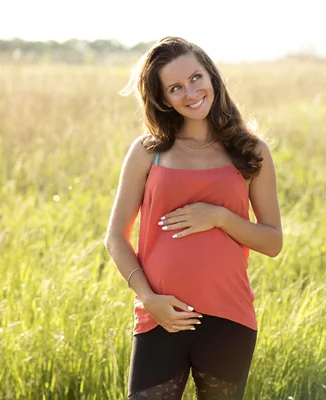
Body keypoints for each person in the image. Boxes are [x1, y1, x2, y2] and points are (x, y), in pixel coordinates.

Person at [103, 37, 283, 399]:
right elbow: (115, 238)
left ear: (212, 77)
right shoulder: (147, 151)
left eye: (196, 78)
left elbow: (273, 242)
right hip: (161, 316)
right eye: (175, 87)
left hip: (229, 318)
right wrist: (148, 298)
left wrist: (219, 216)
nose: (190, 92)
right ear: (163, 98)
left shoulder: (251, 152)